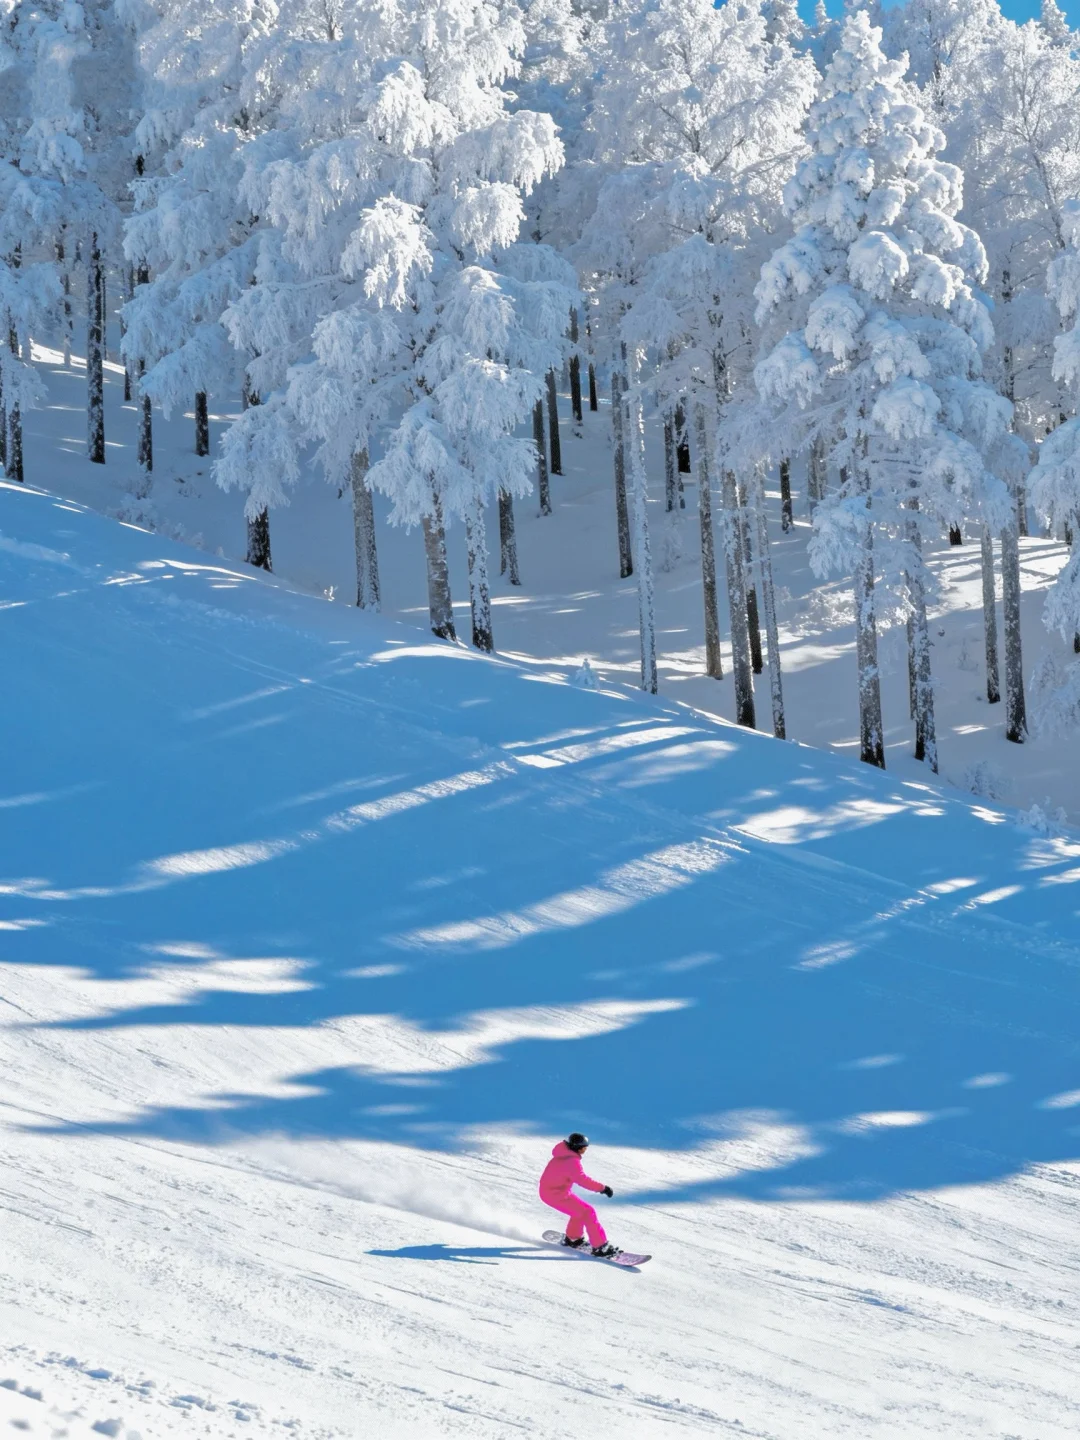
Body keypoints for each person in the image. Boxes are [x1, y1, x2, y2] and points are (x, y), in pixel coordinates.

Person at [538, 1132, 618, 1258]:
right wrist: (603, 1188)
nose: (585, 1150)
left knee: (580, 1211)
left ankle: (573, 1238)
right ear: (578, 1148)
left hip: (552, 1192)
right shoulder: (571, 1161)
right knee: (588, 1212)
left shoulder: (562, 1154)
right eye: (584, 1147)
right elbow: (582, 1180)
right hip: (555, 1194)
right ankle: (600, 1247)